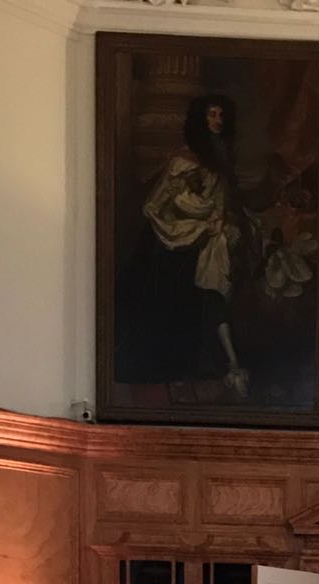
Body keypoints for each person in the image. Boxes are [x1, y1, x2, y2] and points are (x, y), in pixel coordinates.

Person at [115, 94, 251, 397]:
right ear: (200, 120)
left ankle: (200, 366)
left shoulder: (221, 161)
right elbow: (155, 205)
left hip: (205, 242)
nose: (217, 121)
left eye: (221, 115)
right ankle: (170, 369)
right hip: (176, 243)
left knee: (203, 303)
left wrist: (223, 223)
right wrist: (193, 221)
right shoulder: (183, 161)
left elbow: (224, 203)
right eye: (211, 115)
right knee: (173, 304)